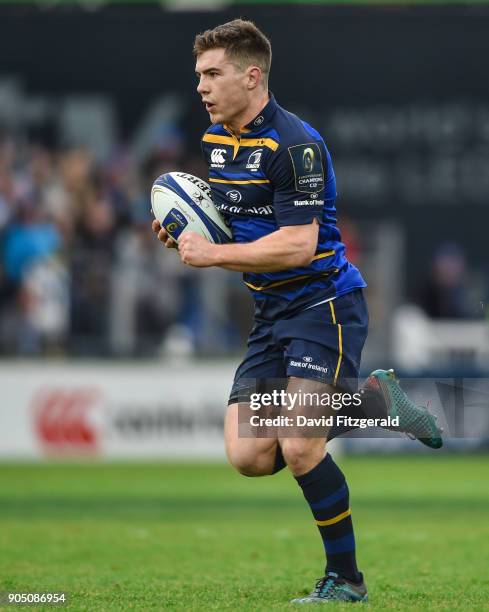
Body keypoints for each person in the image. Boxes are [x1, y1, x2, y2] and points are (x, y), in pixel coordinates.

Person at [152, 19, 442, 603]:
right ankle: (374, 402)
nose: (202, 88)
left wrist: (212, 254)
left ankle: (347, 580)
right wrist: (189, 231)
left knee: (300, 442)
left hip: (323, 304)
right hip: (270, 312)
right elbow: (240, 222)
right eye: (198, 76)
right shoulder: (216, 142)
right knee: (249, 455)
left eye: (213, 74)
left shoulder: (295, 143)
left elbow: (299, 243)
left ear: (251, 75)